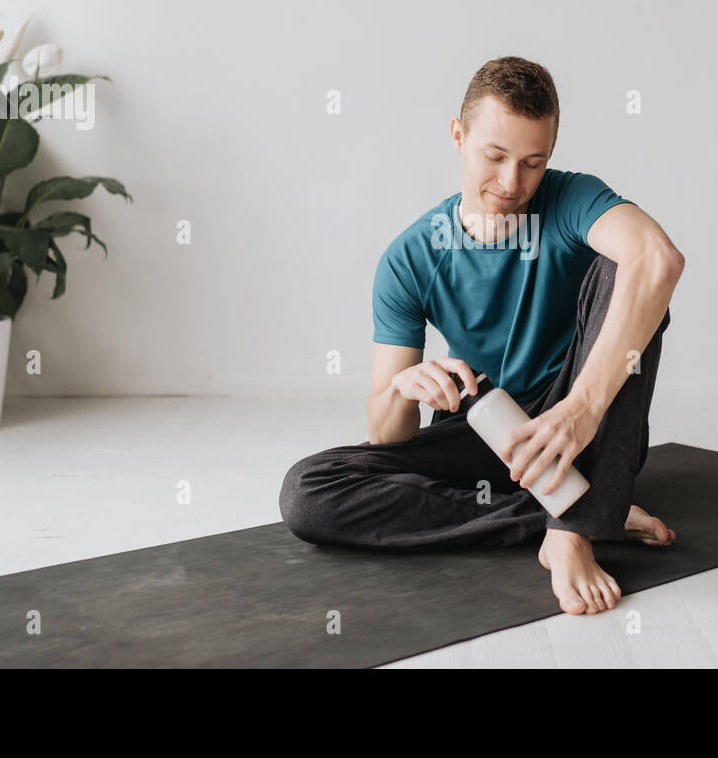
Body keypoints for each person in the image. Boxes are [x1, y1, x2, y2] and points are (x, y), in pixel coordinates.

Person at [279, 56, 685, 616]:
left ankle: (572, 528)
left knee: (628, 272)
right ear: (458, 135)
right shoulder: (410, 257)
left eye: (533, 162)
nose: (512, 183)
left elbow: (658, 259)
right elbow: (386, 437)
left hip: (583, 432)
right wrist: (402, 389)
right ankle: (575, 511)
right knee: (309, 493)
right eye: (494, 157)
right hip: (488, 431)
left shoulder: (571, 200)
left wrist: (581, 410)